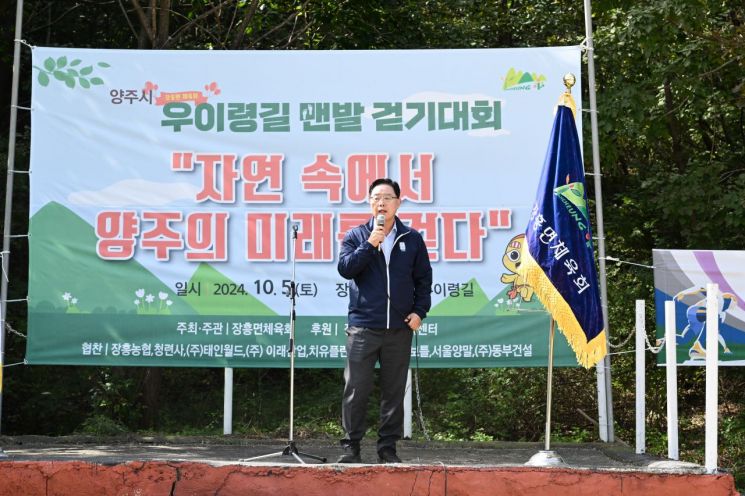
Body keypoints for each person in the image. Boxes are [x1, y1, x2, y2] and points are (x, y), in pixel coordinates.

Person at [336, 178, 433, 464]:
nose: (382, 203)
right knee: (355, 388)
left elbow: (424, 280)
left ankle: (387, 448)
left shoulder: (412, 238)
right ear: (369, 202)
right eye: (377, 197)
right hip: (363, 326)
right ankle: (350, 447)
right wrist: (370, 244)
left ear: (398, 202)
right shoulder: (356, 235)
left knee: (393, 391)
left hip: (399, 328)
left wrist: (419, 312)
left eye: (388, 197)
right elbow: (346, 269)